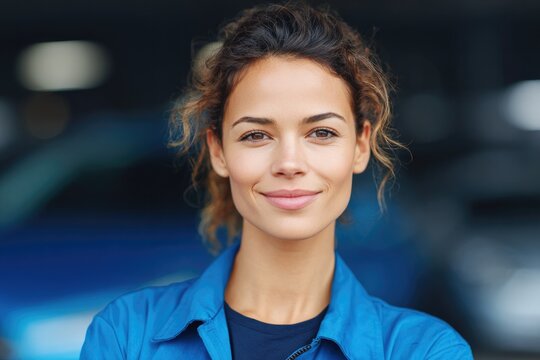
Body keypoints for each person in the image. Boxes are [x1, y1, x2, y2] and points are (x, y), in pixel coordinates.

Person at [80, 2, 473, 359]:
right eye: (256, 135)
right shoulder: (127, 335)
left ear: (359, 146)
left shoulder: (423, 350)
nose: (289, 163)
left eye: (321, 133)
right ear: (218, 151)